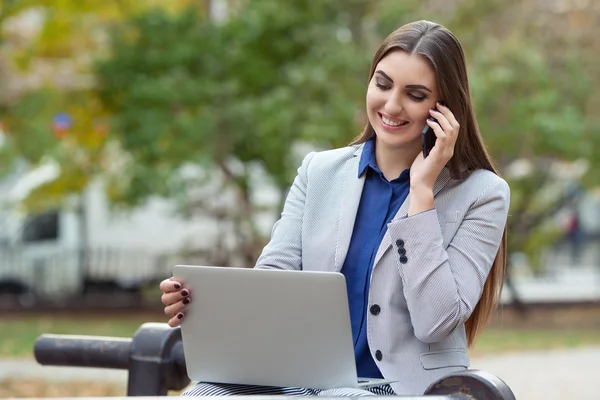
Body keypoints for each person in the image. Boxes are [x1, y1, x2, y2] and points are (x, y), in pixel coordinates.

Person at [160, 20, 510, 396]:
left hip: (398, 387)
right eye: (382, 83)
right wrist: (201, 305)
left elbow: (434, 322)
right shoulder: (318, 171)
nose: (391, 105)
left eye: (415, 94)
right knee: (202, 393)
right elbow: (274, 280)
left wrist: (421, 193)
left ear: (444, 109)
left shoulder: (483, 194)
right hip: (304, 378)